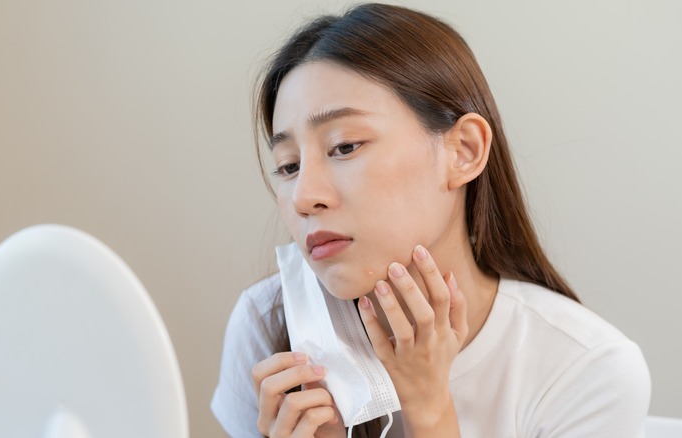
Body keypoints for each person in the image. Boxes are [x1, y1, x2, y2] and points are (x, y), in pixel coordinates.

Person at [211, 3, 651, 437]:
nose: (305, 197)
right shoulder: (267, 325)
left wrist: (430, 410)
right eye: (289, 166)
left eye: (344, 146)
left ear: (463, 152)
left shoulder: (586, 369)